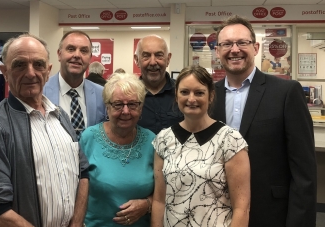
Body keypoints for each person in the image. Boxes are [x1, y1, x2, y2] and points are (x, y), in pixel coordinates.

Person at [0, 34, 89, 227]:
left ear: (48, 71)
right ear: (5, 72)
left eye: (38, 64)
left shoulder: (61, 116)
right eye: (20, 65)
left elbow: (83, 173)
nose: (30, 73)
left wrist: (77, 223)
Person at [212, 15, 317, 227]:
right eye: (227, 44)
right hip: (215, 212)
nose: (234, 49)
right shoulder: (208, 96)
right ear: (217, 51)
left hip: (270, 213)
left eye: (242, 42)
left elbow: (304, 171)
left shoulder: (286, 92)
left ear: (256, 47)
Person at [151, 65, 250, 227]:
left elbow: (241, 208)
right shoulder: (163, 139)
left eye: (199, 93)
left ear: (210, 96)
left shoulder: (230, 140)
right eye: (184, 92)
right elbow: (159, 201)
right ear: (176, 96)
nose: (191, 99)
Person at [79, 73, 156, 227]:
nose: (126, 111)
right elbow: (73, 189)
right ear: (107, 107)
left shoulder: (152, 141)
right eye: (118, 105)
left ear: (140, 108)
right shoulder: (89, 138)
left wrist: (148, 204)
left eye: (133, 104)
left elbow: (164, 192)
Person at [43, 31, 106, 137]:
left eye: (84, 51)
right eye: (71, 49)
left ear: (90, 58)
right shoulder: (41, 91)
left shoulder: (102, 94)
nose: (77, 55)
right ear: (59, 54)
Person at [134, 34, 183, 134]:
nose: (152, 62)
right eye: (146, 56)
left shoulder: (182, 93)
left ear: (168, 59)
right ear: (137, 60)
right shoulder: (129, 97)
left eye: (159, 55)